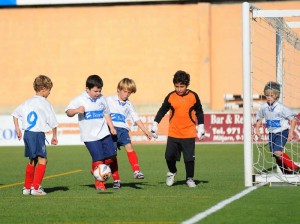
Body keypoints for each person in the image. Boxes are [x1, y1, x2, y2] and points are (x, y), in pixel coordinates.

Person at [65, 74, 121, 191]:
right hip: (89, 136)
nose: (97, 93)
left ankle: (95, 169)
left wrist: (111, 127)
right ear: (87, 89)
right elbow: (68, 111)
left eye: (99, 91)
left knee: (111, 156)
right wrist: (76, 110)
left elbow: (106, 113)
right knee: (99, 159)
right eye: (95, 91)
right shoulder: (79, 99)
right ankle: (99, 184)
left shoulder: (102, 98)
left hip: (104, 133)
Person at [151, 70, 205, 188]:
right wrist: (155, 124)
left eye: (182, 86)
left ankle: (190, 178)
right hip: (174, 133)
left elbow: (200, 112)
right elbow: (162, 110)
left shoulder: (193, 96)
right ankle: (172, 172)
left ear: (187, 85)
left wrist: (201, 127)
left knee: (189, 159)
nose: (179, 89)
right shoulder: (171, 96)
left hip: (188, 133)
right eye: (177, 86)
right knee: (168, 156)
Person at [12, 75, 58, 196]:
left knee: (32, 160)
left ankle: (27, 187)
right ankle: (35, 187)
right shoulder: (45, 103)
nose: (49, 93)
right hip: (37, 134)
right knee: (43, 160)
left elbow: (15, 114)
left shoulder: (27, 102)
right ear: (43, 89)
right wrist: (55, 136)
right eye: (49, 90)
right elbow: (53, 122)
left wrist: (17, 129)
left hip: (27, 134)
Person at [106, 78, 152, 179]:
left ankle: (136, 171)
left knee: (129, 147)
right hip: (111, 129)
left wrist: (146, 131)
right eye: (125, 91)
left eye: (129, 93)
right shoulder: (109, 100)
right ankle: (116, 180)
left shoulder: (129, 104)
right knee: (112, 156)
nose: (126, 94)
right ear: (119, 89)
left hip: (123, 130)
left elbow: (136, 118)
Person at [255, 81, 299, 174]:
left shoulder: (281, 107)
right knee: (275, 155)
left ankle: (295, 167)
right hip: (271, 133)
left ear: (276, 95)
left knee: (277, 152)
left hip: (282, 132)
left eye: (271, 95)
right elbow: (259, 119)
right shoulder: (263, 107)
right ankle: (287, 172)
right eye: (267, 95)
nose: (269, 97)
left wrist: (291, 133)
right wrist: (257, 129)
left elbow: (293, 119)